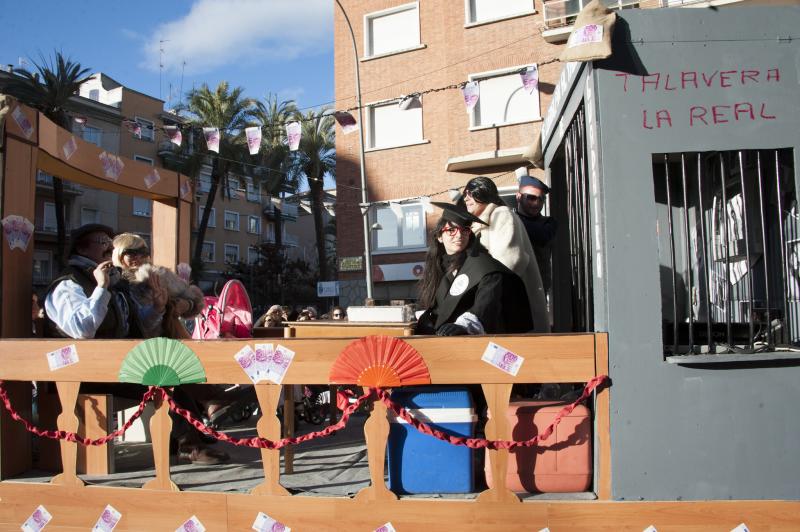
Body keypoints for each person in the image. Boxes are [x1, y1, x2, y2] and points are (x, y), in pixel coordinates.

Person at [44, 224, 228, 465]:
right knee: (163, 378)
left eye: (110, 242)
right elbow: (82, 329)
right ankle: (190, 441)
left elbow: (137, 324)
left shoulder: (114, 281)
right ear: (81, 247)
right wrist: (100, 288)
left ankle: (191, 432)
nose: (108, 246)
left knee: (171, 370)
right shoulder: (69, 284)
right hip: (82, 370)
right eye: (102, 241)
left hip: (112, 364)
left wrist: (158, 308)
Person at [416, 203, 532, 335]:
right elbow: (429, 304)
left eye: (464, 230)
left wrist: (464, 326)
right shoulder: (436, 266)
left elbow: (486, 304)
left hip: (471, 341)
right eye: (451, 230)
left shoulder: (484, 266)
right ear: (439, 236)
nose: (459, 236)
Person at [461, 176, 549, 333]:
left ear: (485, 193)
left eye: (471, 192)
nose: (466, 197)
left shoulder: (501, 215)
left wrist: (481, 301)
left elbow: (509, 263)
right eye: (464, 193)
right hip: (499, 311)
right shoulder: (480, 222)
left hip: (512, 313)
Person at [514, 173, 558, 294]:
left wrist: (511, 218)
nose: (536, 203)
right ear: (518, 197)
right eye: (531, 198)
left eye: (541, 199)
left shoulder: (548, 223)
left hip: (537, 290)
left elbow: (541, 237)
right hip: (513, 288)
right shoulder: (510, 220)